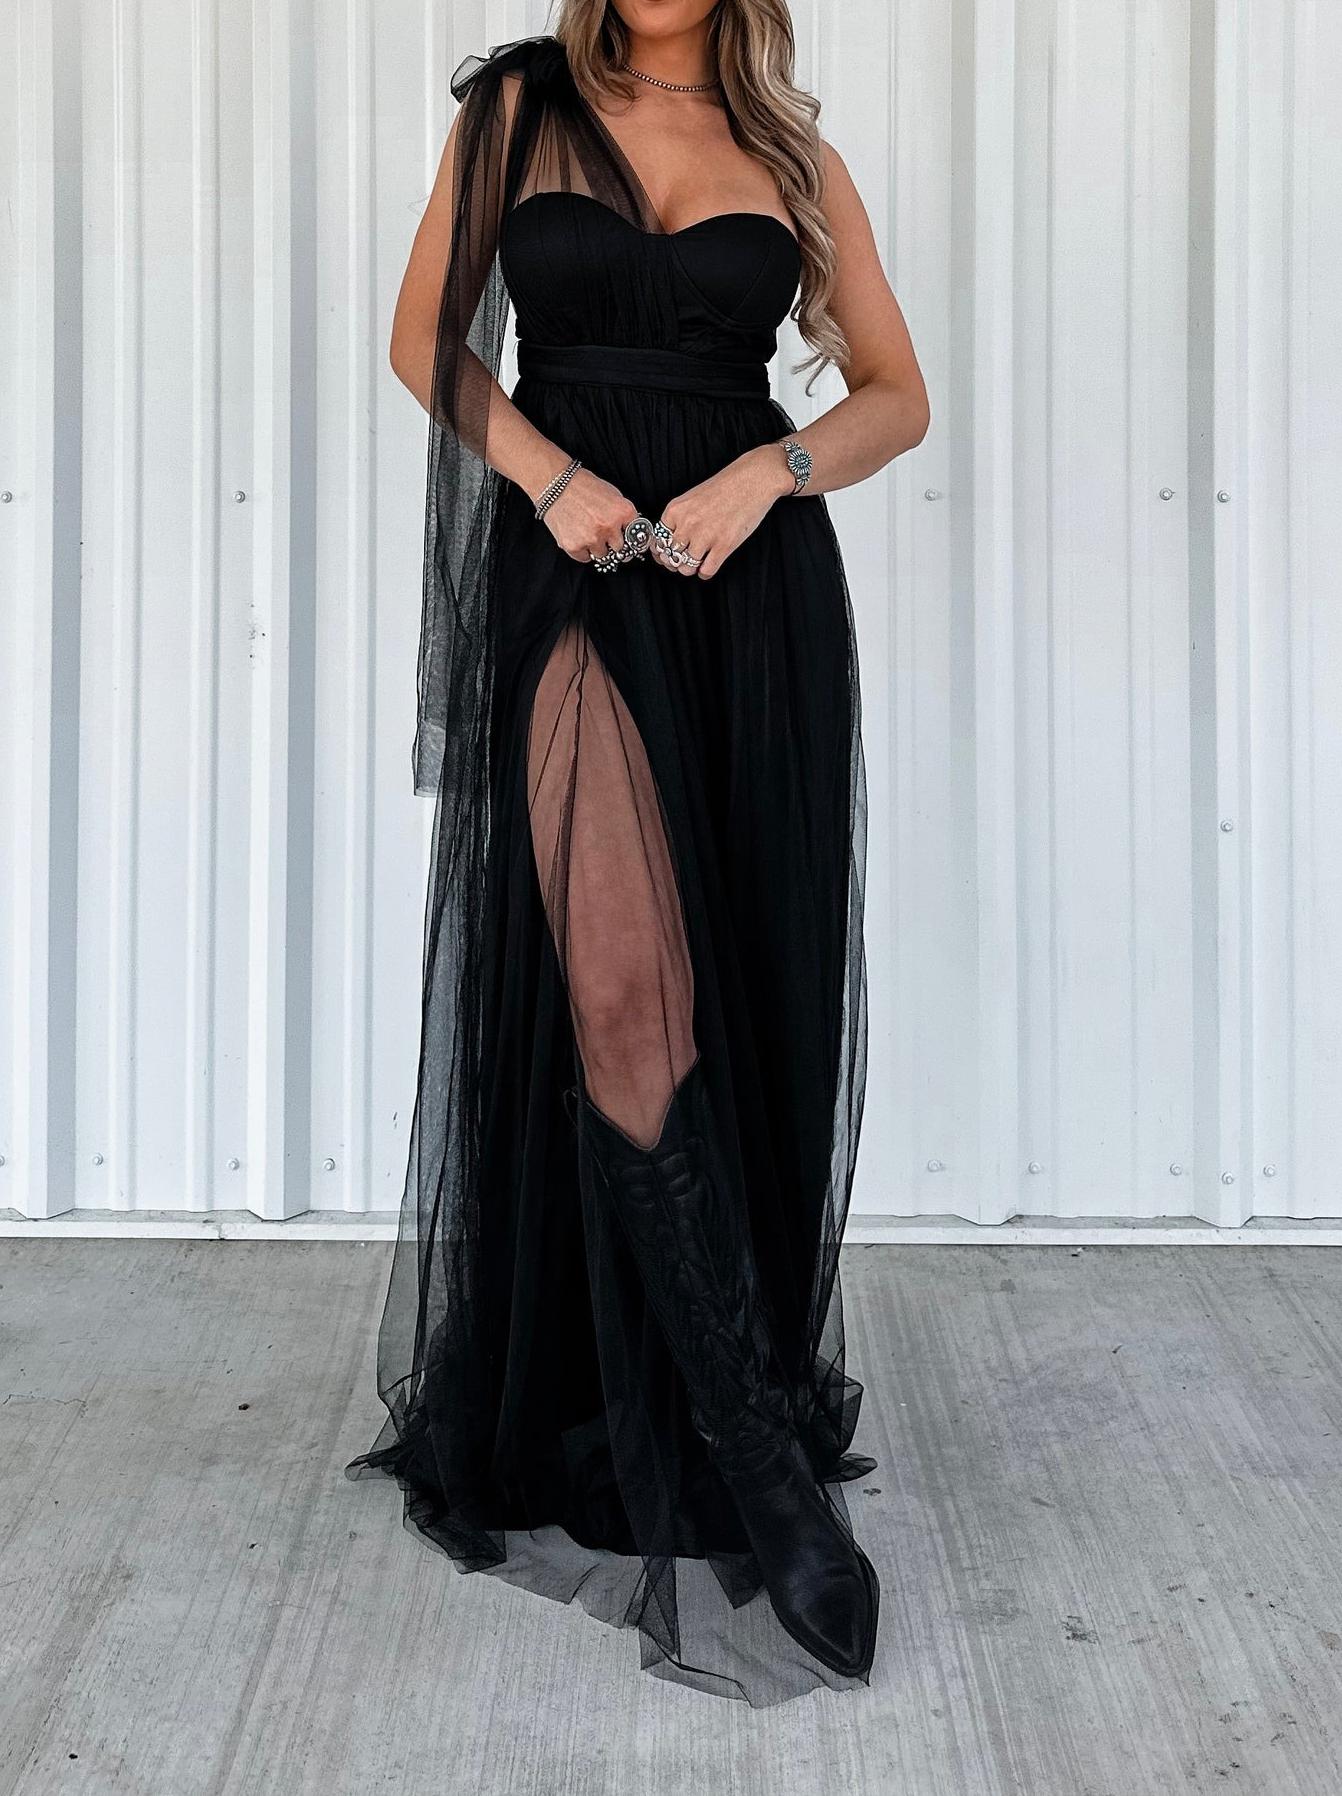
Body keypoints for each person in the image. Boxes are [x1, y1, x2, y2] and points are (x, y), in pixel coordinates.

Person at [345, 0, 930, 1707]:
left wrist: (775, 469)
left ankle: (723, 1407)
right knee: (618, 993)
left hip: (744, 595)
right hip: (576, 573)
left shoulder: (792, 153)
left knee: (736, 977)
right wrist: (545, 479)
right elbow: (426, 344)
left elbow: (898, 397)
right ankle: (759, 1467)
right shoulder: (518, 111)